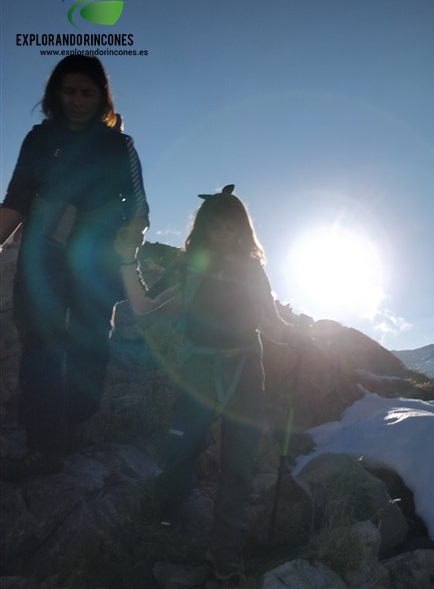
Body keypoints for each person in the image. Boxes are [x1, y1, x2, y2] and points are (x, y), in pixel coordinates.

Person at [115, 184, 298, 583]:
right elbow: (146, 308)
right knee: (186, 448)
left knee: (237, 461)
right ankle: (171, 521)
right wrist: (127, 262)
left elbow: (271, 323)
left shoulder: (251, 271)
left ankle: (223, 553)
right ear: (203, 228)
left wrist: (302, 336)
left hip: (245, 367)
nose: (223, 233)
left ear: (242, 230)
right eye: (216, 225)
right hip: (210, 368)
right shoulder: (190, 267)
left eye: (230, 226)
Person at [0, 55, 148, 481]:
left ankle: (74, 422)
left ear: (101, 95)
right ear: (55, 94)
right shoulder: (38, 139)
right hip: (42, 256)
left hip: (95, 260)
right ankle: (43, 444)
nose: (78, 100)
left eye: (87, 92)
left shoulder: (119, 146)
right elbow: (16, 199)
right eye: (70, 91)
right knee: (39, 346)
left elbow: (137, 207)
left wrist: (127, 248)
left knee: (89, 346)